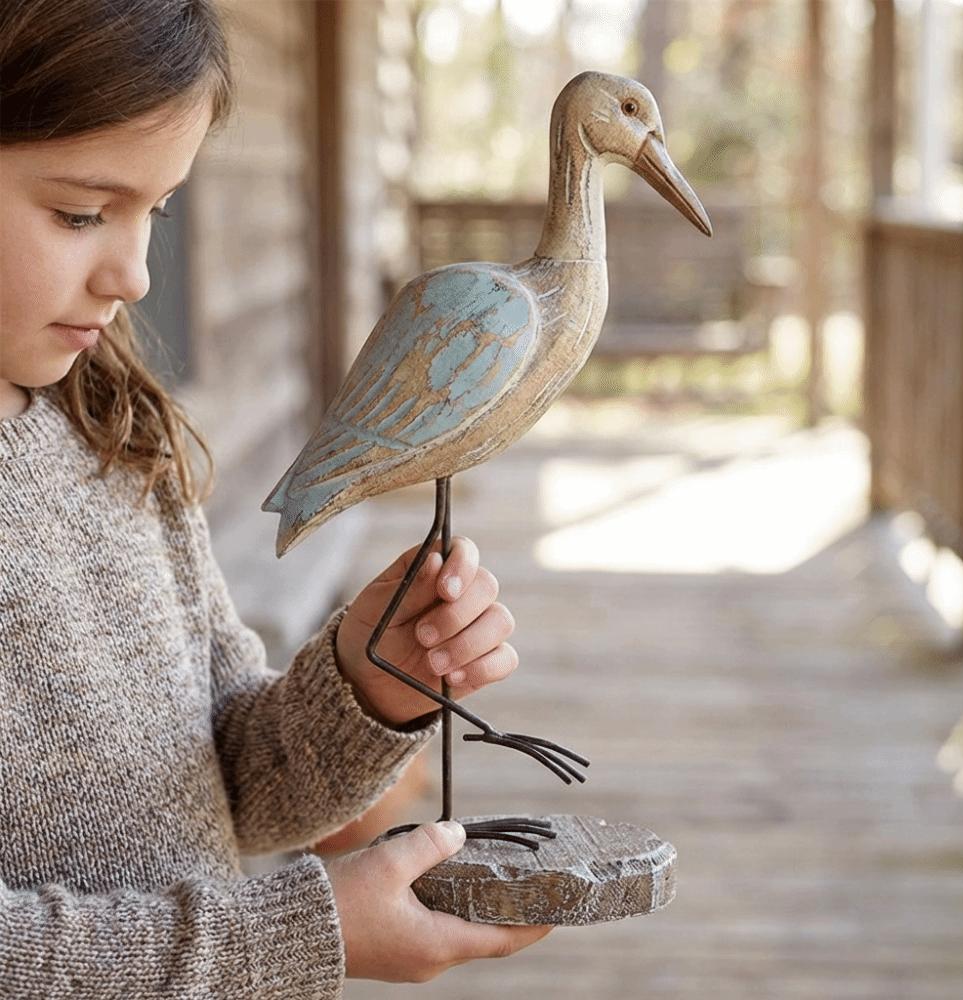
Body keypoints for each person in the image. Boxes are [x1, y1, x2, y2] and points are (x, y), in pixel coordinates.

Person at [0, 0, 552, 995]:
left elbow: (225, 786)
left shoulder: (106, 423)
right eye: (81, 212)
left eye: (156, 211)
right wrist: (301, 933)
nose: (131, 273)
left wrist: (365, 680)